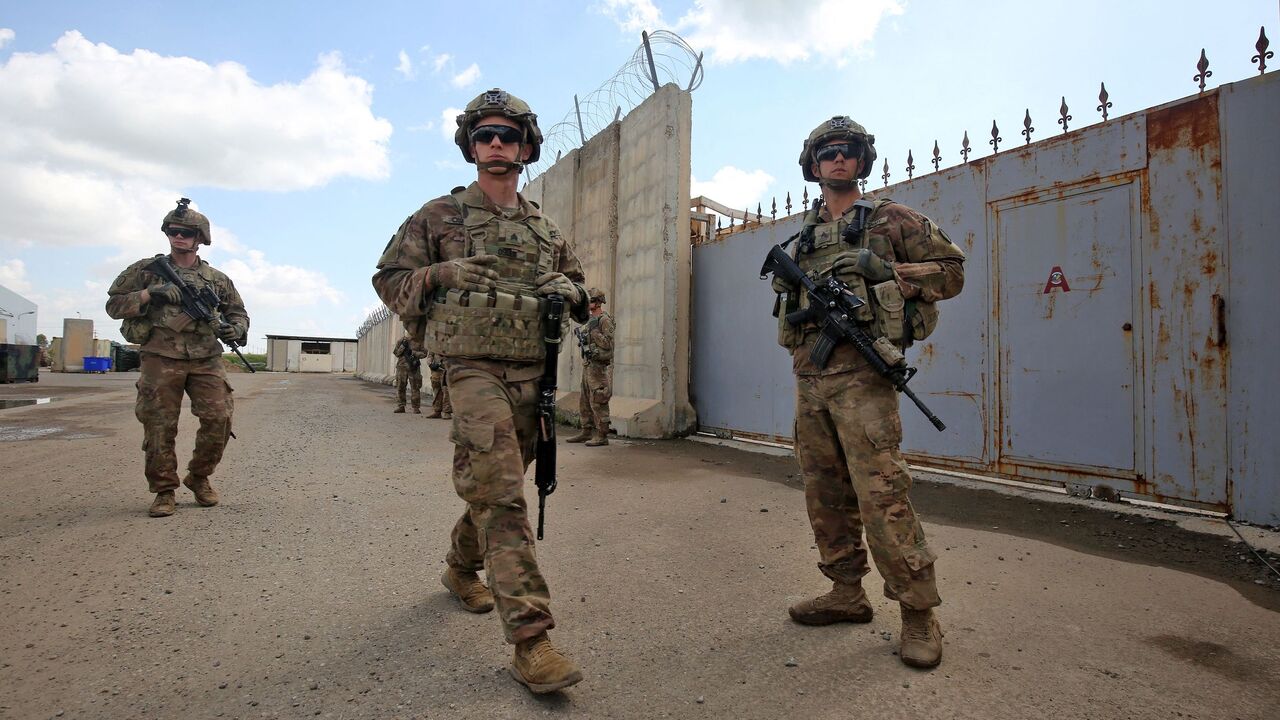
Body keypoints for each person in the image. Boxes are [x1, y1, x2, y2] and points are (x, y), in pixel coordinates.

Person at [372, 88, 589, 694]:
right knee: (501, 495)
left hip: (533, 375)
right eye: (485, 135)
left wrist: (569, 292)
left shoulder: (544, 226)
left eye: (507, 136)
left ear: (526, 146)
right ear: (471, 146)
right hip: (470, 371)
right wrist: (440, 273)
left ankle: (458, 567)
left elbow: (580, 290)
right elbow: (387, 279)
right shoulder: (438, 216)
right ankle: (532, 641)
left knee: (497, 488)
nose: (496, 145)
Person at [770, 116, 965, 669]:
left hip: (864, 381)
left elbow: (953, 272)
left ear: (862, 160)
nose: (837, 159)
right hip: (810, 378)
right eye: (826, 152)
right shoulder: (802, 235)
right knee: (823, 492)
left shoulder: (890, 219)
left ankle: (918, 612)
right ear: (812, 165)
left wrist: (885, 271)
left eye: (847, 151)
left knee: (882, 494)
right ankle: (845, 592)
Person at [105, 199, 249, 518]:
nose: (178, 237)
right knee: (159, 425)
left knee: (219, 418)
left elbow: (238, 312)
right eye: (173, 231)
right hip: (160, 356)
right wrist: (148, 294)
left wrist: (234, 329)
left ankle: (198, 477)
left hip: (206, 357)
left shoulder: (217, 280)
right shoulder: (145, 271)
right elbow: (113, 306)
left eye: (185, 232)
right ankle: (164, 490)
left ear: (200, 238)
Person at [566, 287, 614, 447]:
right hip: (589, 364)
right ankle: (586, 431)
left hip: (598, 367)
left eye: (591, 301)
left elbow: (608, 344)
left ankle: (602, 435)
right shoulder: (590, 320)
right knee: (585, 400)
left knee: (599, 400)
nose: (589, 304)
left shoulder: (604, 320)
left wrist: (594, 334)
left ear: (599, 302)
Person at [392, 332, 426, 413]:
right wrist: (403, 346)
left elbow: (424, 353)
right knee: (400, 386)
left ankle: (416, 407)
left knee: (415, 387)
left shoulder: (419, 341)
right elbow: (396, 353)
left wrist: (414, 353)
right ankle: (401, 406)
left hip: (414, 367)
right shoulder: (401, 340)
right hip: (402, 367)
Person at [426, 352, 452, 419]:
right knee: (436, 390)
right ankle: (437, 411)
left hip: (447, 370)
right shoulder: (435, 343)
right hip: (436, 370)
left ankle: (447, 412)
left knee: (447, 391)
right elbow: (430, 355)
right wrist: (430, 364)